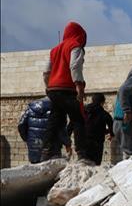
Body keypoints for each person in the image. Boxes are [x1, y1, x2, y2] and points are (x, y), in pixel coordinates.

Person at [40, 21, 87, 161]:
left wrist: (48, 86)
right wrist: (79, 85)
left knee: (54, 120)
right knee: (78, 119)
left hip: (53, 89)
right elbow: (75, 66)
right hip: (67, 89)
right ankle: (81, 153)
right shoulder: (75, 46)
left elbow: (46, 71)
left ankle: (46, 151)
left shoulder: (54, 50)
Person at [18, 97, 71, 163]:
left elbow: (21, 125)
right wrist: (67, 144)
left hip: (34, 146)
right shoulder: (57, 108)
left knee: (35, 167)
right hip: (52, 148)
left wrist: (28, 139)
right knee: (50, 167)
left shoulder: (31, 108)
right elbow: (61, 129)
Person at [77, 93, 114, 165]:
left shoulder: (84, 111)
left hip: (84, 141)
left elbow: (75, 122)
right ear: (102, 102)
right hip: (97, 143)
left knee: (84, 163)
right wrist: (111, 134)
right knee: (96, 164)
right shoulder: (104, 114)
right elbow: (111, 125)